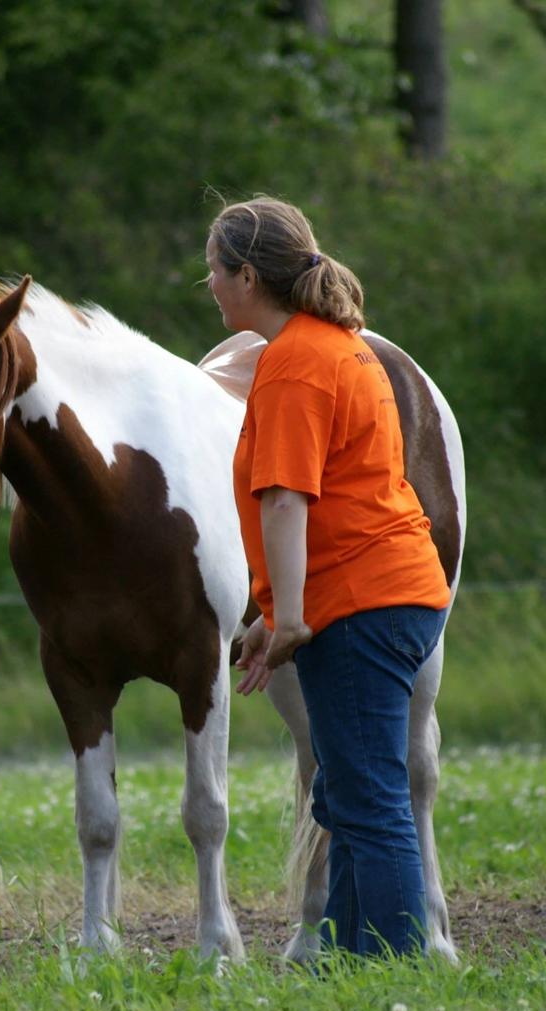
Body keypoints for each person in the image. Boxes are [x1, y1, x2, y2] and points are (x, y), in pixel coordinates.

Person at [206, 195, 451, 958]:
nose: (207, 284)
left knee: (371, 801)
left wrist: (287, 621)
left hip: (360, 604)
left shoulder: (292, 366)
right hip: (393, 592)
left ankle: (396, 966)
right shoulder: (338, 346)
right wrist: (268, 614)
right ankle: (349, 960)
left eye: (213, 271)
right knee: (346, 793)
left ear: (247, 276)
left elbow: (287, 499)